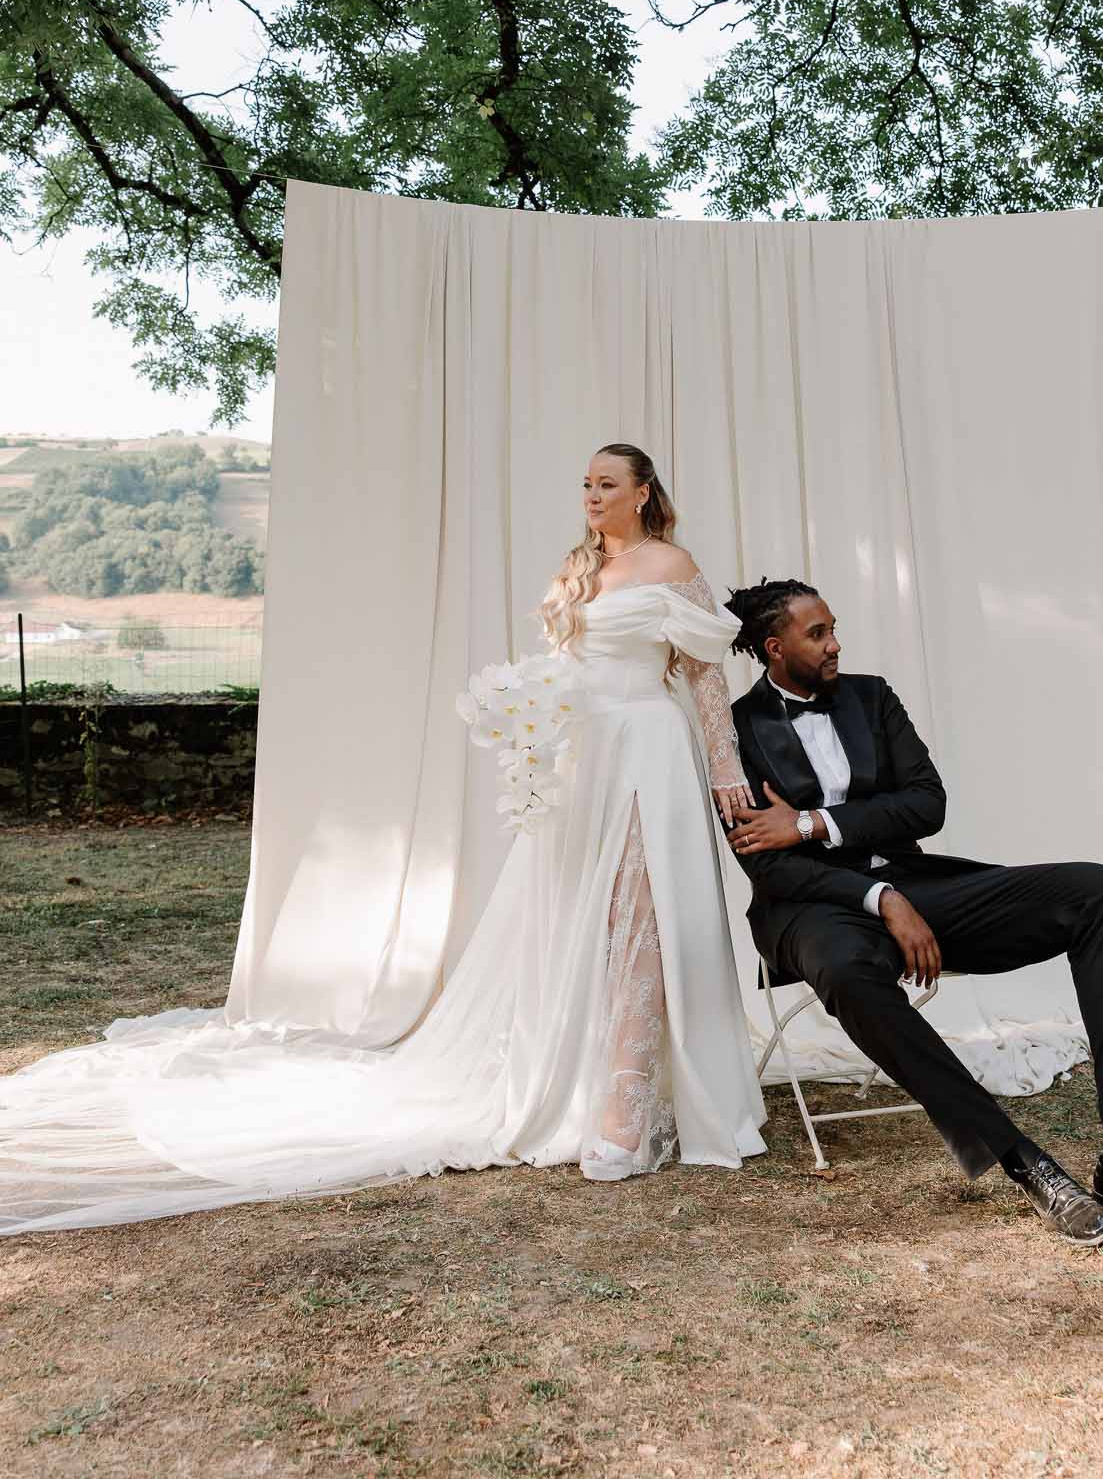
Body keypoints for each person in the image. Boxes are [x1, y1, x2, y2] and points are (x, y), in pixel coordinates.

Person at [0, 444, 764, 1234]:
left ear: (642, 492)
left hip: (646, 750)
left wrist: (723, 767)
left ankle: (626, 1111)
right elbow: (560, 674)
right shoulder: (576, 570)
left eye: (608, 483)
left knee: (642, 919)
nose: (592, 495)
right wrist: (531, 724)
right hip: (580, 760)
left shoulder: (671, 565)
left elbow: (705, 675)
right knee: (575, 921)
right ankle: (576, 1084)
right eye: (586, 483)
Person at [724, 578, 1103, 1247]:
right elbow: (768, 864)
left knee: (1101, 891)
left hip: (915, 885)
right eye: (818, 634)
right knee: (845, 969)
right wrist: (878, 898)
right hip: (810, 909)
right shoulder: (735, 730)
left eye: (834, 627)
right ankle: (1024, 1162)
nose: (835, 643)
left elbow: (925, 804)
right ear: (774, 647)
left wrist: (813, 824)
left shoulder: (872, 697)